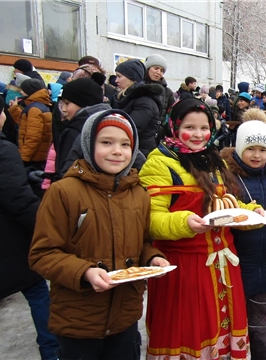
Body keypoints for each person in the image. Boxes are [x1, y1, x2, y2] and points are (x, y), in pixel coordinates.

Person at [29, 109, 169, 360]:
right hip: (78, 320)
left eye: (125, 144)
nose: (117, 151)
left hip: (125, 317)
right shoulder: (64, 192)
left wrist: (152, 259)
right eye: (106, 142)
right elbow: (42, 254)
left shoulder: (138, 193)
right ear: (87, 144)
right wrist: (84, 272)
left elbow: (143, 243)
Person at [139, 98, 262, 359]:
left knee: (221, 331)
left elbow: (229, 202)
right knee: (187, 331)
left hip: (223, 265)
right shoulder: (160, 162)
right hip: (184, 268)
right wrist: (184, 222)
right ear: (174, 126)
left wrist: (251, 212)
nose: (198, 135)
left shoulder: (214, 159)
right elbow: (150, 219)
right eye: (190, 127)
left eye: (204, 128)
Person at [0, 88, 59, 360]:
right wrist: (46, 225)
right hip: (7, 239)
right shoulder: (0, 149)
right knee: (37, 290)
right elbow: (16, 199)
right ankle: (53, 352)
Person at [220, 119, 266, 360]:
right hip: (236, 266)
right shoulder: (226, 177)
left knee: (261, 324)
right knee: (233, 323)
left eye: (263, 150)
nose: (257, 155)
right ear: (238, 148)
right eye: (250, 148)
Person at [113, 59, 164, 156]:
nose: (116, 80)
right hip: (132, 149)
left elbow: (130, 129)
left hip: (140, 152)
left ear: (131, 78)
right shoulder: (130, 98)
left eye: (119, 76)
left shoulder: (144, 101)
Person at [8, 78, 52, 169]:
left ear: (29, 91)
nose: (20, 91)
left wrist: (23, 158)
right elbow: (26, 124)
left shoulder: (34, 109)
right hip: (38, 156)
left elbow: (33, 137)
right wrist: (14, 109)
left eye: (22, 89)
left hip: (33, 159)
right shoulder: (40, 105)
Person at [144, 54, 175, 142]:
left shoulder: (167, 92)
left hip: (159, 136)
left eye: (162, 70)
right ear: (147, 68)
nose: (159, 72)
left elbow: (172, 114)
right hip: (141, 133)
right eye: (156, 68)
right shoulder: (139, 87)